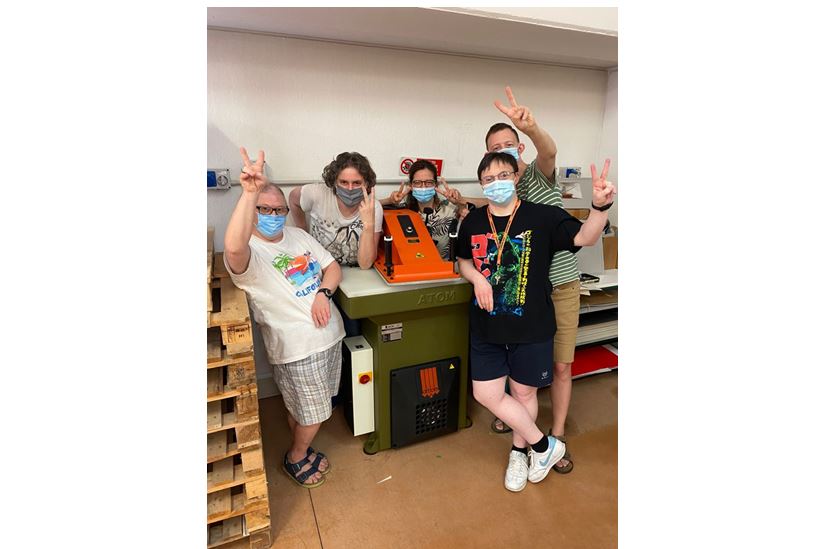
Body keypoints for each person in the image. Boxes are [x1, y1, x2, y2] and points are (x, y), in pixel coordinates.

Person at [455, 151, 614, 492]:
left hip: (532, 326)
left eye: (503, 176)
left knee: (524, 391)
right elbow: (463, 261)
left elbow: (585, 237)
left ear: (516, 177)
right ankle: (544, 446)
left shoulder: (542, 216)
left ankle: (519, 451)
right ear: (481, 184)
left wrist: (600, 208)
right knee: (485, 393)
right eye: (488, 179)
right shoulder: (473, 221)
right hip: (486, 326)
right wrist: (478, 279)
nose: (496, 183)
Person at [224, 147, 345, 489]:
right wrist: (249, 193)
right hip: (297, 350)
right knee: (315, 413)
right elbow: (233, 249)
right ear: (252, 211)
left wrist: (323, 293)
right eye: (264, 209)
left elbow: (332, 268)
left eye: (279, 209)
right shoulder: (249, 253)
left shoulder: (297, 235)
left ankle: (301, 446)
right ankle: (296, 456)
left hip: (329, 338)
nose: (274, 215)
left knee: (307, 407)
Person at [485, 86, 583, 476]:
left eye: (509, 145)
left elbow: (549, 152)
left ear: (520, 147)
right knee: (518, 364)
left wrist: (531, 127)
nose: (504, 151)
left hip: (559, 287)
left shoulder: (538, 179)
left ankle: (555, 438)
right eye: (496, 149)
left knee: (560, 367)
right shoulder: (502, 190)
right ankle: (520, 422)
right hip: (524, 292)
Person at [288, 152, 383, 270]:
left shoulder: (374, 207)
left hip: (354, 271)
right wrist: (302, 232)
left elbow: (365, 264)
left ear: (367, 184)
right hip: (320, 267)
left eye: (357, 183)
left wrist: (368, 225)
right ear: (334, 182)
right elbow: (293, 198)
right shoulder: (317, 193)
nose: (350, 189)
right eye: (343, 182)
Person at [380, 159, 487, 260]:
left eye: (429, 182)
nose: (423, 187)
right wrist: (389, 200)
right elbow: (371, 208)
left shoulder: (450, 208)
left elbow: (490, 204)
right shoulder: (402, 211)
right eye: (417, 182)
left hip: (444, 265)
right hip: (411, 265)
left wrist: (461, 200)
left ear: (436, 185)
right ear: (411, 186)